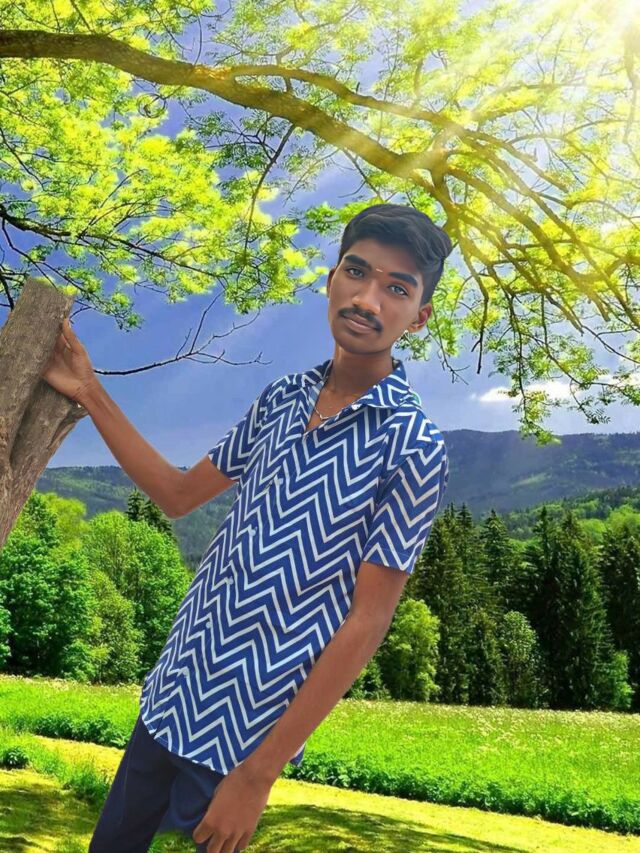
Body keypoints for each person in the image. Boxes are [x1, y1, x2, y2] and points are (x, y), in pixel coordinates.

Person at [42, 202, 453, 853]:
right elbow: (178, 494)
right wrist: (89, 391)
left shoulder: (414, 444)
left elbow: (367, 622)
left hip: (244, 738)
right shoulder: (282, 398)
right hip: (170, 696)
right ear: (332, 279)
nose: (367, 299)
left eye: (397, 288)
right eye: (357, 272)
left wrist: (259, 774)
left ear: (420, 315)